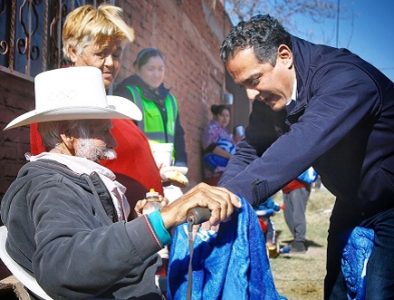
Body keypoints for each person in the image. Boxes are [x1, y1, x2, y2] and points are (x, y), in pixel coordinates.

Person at [1, 66, 240, 299]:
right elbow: (62, 266)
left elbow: (90, 238)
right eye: (104, 131)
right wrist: (166, 216)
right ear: (68, 134)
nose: (113, 142)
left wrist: (137, 222)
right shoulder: (52, 186)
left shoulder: (68, 180)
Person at [219, 14, 394, 299]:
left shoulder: (345, 80)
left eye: (254, 80)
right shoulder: (270, 97)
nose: (250, 96)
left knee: (379, 291)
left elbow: (300, 145)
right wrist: (220, 195)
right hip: (351, 200)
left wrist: (232, 198)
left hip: (390, 202)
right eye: (242, 86)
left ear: (284, 55)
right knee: (336, 289)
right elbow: (250, 150)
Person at [29, 4, 163, 214]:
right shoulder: (60, 108)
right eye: (101, 53)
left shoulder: (104, 101)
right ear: (73, 51)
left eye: (116, 55)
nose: (110, 63)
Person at [114, 48, 187, 167]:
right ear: (138, 70)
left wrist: (181, 163)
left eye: (160, 69)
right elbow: (122, 136)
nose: (157, 74)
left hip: (168, 169)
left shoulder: (170, 100)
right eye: (151, 69)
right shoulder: (127, 93)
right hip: (139, 166)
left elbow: (178, 135)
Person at [201, 104, 235, 185]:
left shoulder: (225, 132)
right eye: (222, 115)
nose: (225, 118)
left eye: (227, 116)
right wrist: (230, 157)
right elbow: (210, 147)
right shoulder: (212, 128)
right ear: (216, 116)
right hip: (215, 165)